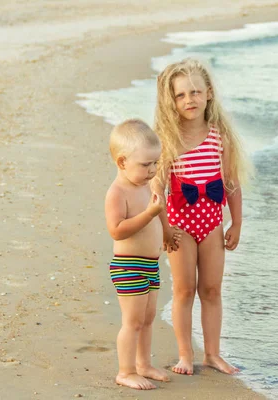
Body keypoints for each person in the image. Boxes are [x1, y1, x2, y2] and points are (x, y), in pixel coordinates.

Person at [152, 58, 251, 375]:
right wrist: (164, 228)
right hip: (179, 226)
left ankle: (212, 354)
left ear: (209, 93)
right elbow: (158, 189)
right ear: (171, 100)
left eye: (195, 92)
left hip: (212, 223)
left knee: (211, 289)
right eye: (180, 95)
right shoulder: (167, 139)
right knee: (183, 290)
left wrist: (236, 222)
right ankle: (185, 355)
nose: (189, 99)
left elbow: (232, 183)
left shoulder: (219, 138)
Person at [104, 119, 174, 390]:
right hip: (128, 265)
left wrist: (167, 232)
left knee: (148, 318)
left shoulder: (146, 185)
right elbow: (117, 230)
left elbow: (160, 212)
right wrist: (149, 214)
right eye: (146, 165)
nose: (152, 170)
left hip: (151, 265)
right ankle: (126, 371)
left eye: (155, 163)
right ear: (122, 162)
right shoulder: (117, 192)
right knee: (132, 321)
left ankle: (143, 364)